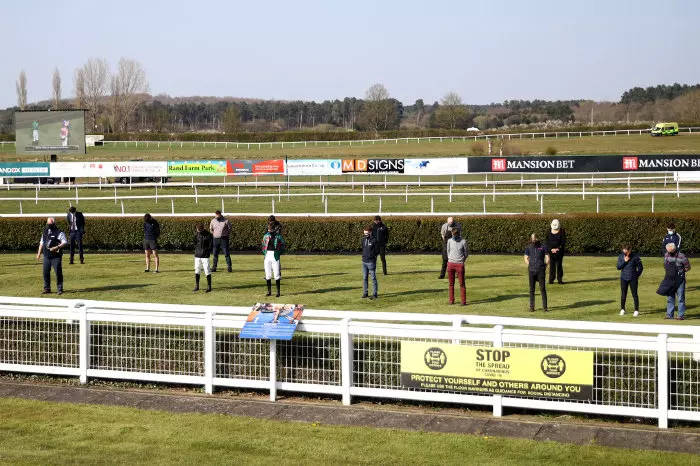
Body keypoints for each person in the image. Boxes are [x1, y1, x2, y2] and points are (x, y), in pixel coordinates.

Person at [36, 217, 68, 295]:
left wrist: (57, 247)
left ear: (54, 223)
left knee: (58, 272)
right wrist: (39, 253)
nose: (49, 225)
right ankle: (47, 288)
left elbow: (65, 242)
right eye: (48, 224)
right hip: (46, 256)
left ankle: (59, 289)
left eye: (50, 224)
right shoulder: (45, 231)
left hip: (56, 256)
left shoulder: (59, 232)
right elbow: (41, 242)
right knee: (45, 272)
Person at [662, 243, 691, 320]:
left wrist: (680, 272)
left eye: (670, 251)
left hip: (680, 279)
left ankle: (680, 316)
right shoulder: (666, 255)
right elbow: (665, 264)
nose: (669, 253)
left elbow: (688, 267)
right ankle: (669, 315)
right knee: (670, 297)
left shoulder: (682, 256)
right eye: (668, 251)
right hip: (669, 279)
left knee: (680, 297)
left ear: (674, 249)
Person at [524, 233, 549, 312]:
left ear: (537, 238)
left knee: (542, 288)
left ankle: (545, 308)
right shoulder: (529, 247)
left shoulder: (543, 246)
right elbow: (525, 257)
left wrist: (544, 266)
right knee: (532, 290)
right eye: (532, 239)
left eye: (534, 239)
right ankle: (532, 307)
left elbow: (548, 258)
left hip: (540, 271)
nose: (533, 240)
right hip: (531, 271)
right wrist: (529, 264)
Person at [617, 244, 643, 317]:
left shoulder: (635, 257)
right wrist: (624, 261)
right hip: (623, 278)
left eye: (626, 250)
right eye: (623, 250)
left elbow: (640, 268)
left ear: (629, 250)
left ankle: (636, 310)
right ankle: (622, 309)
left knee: (634, 294)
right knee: (623, 294)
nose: (624, 251)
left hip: (633, 278)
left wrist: (636, 275)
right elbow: (618, 267)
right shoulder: (621, 256)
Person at [261, 221, 286, 297]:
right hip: (267, 255)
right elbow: (263, 245)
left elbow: (283, 244)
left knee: (276, 274)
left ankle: (278, 292)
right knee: (267, 274)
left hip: (275, 255)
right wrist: (264, 253)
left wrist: (279, 253)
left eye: (270, 228)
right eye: (268, 228)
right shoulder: (266, 236)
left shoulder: (278, 236)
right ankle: (269, 292)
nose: (269, 229)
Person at [446, 226, 469, 306]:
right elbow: (448, 251)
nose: (454, 235)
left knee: (461, 284)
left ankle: (463, 301)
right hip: (451, 264)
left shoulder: (463, 241)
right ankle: (451, 300)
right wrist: (451, 259)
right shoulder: (449, 241)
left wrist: (461, 260)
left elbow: (466, 253)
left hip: (459, 264)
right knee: (452, 283)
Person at [193, 224, 213, 293]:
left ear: (202, 229)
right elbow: (195, 243)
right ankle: (197, 286)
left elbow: (211, 245)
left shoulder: (208, 235)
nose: (197, 231)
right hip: (197, 255)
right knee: (197, 270)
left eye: (198, 230)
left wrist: (207, 252)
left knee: (207, 271)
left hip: (205, 256)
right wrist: (196, 251)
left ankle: (209, 287)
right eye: (197, 230)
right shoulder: (197, 234)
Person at [546, 219, 566, 284]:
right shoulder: (548, 231)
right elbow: (546, 242)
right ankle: (551, 280)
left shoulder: (562, 231)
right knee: (552, 266)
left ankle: (560, 280)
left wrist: (558, 248)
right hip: (550, 252)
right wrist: (550, 249)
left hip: (559, 252)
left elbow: (563, 242)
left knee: (559, 265)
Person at [361, 225, 379, 299]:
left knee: (373, 278)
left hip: (371, 262)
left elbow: (377, 251)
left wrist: (373, 257)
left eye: (367, 233)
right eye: (364, 233)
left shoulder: (374, 240)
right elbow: (363, 248)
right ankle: (365, 293)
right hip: (364, 262)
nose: (366, 235)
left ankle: (375, 293)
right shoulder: (363, 240)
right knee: (365, 278)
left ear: (370, 232)